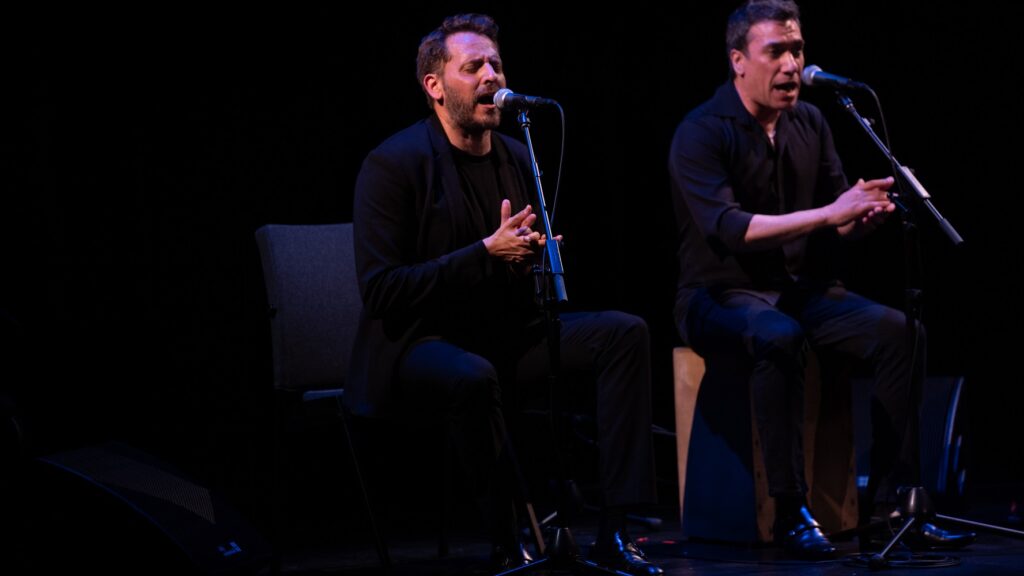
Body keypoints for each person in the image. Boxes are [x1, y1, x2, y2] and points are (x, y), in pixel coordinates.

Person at [346, 14, 662, 575]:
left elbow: (515, 265)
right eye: (474, 67)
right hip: (416, 344)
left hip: (503, 333)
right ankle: (508, 535)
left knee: (623, 333)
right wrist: (483, 254)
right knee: (472, 375)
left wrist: (534, 256)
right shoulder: (392, 165)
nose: (492, 75)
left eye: (496, 64)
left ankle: (616, 530)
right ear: (435, 86)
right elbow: (382, 292)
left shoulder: (517, 156)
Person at [668, 0, 975, 559]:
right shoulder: (701, 132)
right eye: (776, 52)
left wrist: (860, 218)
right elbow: (731, 229)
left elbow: (836, 220)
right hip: (717, 295)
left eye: (798, 50)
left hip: (798, 292)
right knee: (776, 335)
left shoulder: (809, 120)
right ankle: (789, 509)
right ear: (739, 61)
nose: (791, 64)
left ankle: (894, 503)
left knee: (903, 332)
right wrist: (832, 214)